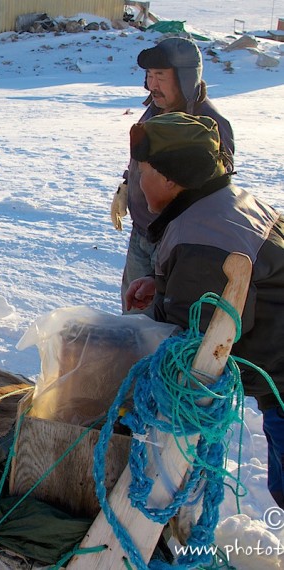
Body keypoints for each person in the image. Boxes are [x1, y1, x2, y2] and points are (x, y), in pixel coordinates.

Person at [124, 111, 284, 509]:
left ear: (170, 178)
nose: (135, 183)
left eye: (141, 171)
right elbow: (239, 286)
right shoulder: (224, 204)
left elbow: (196, 357)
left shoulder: (203, 240)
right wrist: (164, 288)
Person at [110, 36, 235, 314]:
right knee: (133, 318)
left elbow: (216, 192)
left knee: (161, 324)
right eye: (149, 75)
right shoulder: (156, 110)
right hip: (142, 233)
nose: (152, 84)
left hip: (174, 242)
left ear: (185, 77)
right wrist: (127, 187)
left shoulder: (208, 125)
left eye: (161, 76)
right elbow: (144, 157)